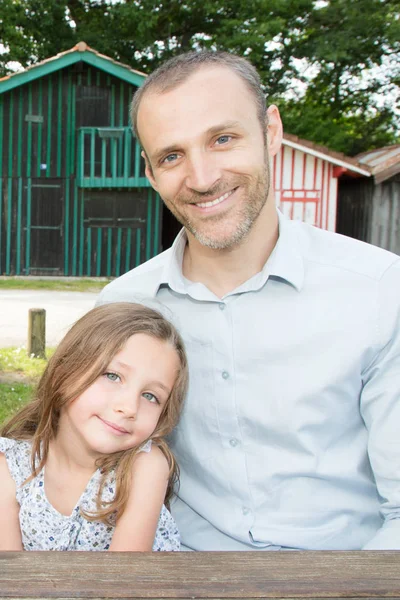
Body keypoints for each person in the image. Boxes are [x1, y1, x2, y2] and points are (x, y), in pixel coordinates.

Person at [97, 51, 400, 551]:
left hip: (345, 576)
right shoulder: (122, 307)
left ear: (271, 131)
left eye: (222, 139)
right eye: (172, 156)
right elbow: (88, 474)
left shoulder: (378, 290)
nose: (201, 177)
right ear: (150, 173)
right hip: (183, 578)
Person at [0, 302, 188, 551]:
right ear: (63, 372)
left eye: (151, 396)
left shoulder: (144, 467)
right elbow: (11, 576)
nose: (130, 407)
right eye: (112, 376)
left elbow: (123, 581)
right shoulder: (13, 466)